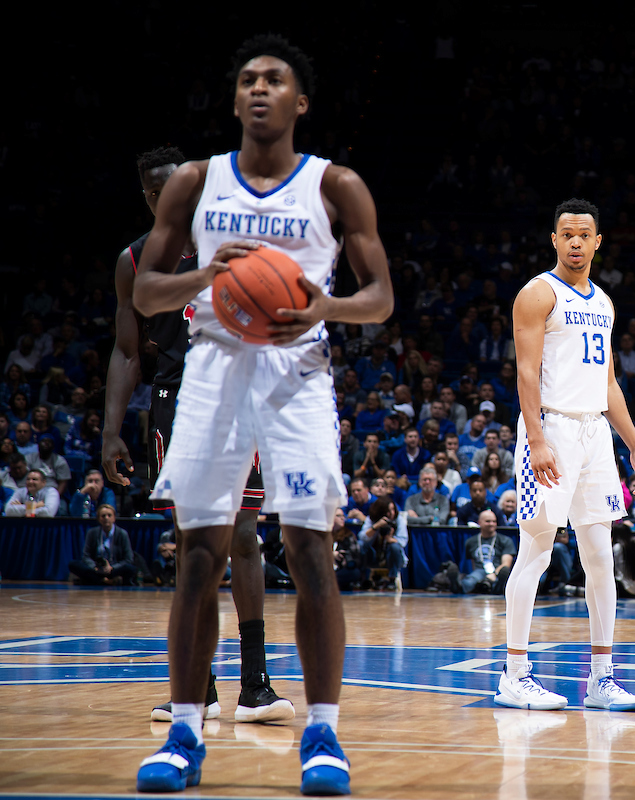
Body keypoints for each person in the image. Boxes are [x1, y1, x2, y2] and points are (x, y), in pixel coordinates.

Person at [130, 34, 392, 795]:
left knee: (311, 554)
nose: (259, 89)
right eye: (247, 79)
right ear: (234, 97)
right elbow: (145, 293)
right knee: (199, 556)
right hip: (213, 367)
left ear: (299, 102)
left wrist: (327, 307)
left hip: (296, 373)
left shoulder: (335, 185)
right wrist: (203, 278)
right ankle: (184, 731)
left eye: (275, 80)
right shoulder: (192, 183)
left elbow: (380, 298)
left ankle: (323, 734)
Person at [101, 145, 292, 732]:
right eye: (154, 193)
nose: (166, 200)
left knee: (241, 537)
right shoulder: (135, 260)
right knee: (193, 547)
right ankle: (198, 689)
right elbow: (128, 352)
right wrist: (111, 429)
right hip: (175, 407)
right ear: (147, 197)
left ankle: (255, 687)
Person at [497, 198, 635, 713]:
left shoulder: (604, 302)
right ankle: (515, 674)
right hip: (552, 430)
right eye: (568, 234)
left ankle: (601, 679)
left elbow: (608, 383)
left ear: (598, 241)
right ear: (555, 240)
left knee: (600, 557)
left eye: (585, 234)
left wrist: (632, 444)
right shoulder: (537, 294)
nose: (577, 242)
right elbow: (525, 372)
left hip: (594, 437)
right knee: (536, 552)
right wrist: (537, 439)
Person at [68, 505, 138, 585]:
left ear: (114, 518)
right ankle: (106, 581)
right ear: (98, 519)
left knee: (130, 569)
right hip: (96, 569)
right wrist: (95, 567)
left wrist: (112, 568)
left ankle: (95, 580)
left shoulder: (122, 534)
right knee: (73, 564)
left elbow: (128, 559)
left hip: (113, 569)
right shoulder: (92, 533)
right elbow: (86, 556)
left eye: (109, 515)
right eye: (103, 516)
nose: (106, 518)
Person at [457, 509, 516, 594]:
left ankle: (498, 588)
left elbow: (506, 565)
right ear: (479, 522)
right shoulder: (470, 542)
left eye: (494, 521)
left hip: (497, 571)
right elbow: (473, 563)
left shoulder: (505, 540)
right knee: (468, 582)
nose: (491, 524)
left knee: (502, 578)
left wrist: (493, 574)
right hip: (480, 571)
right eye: (488, 521)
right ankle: (457, 585)